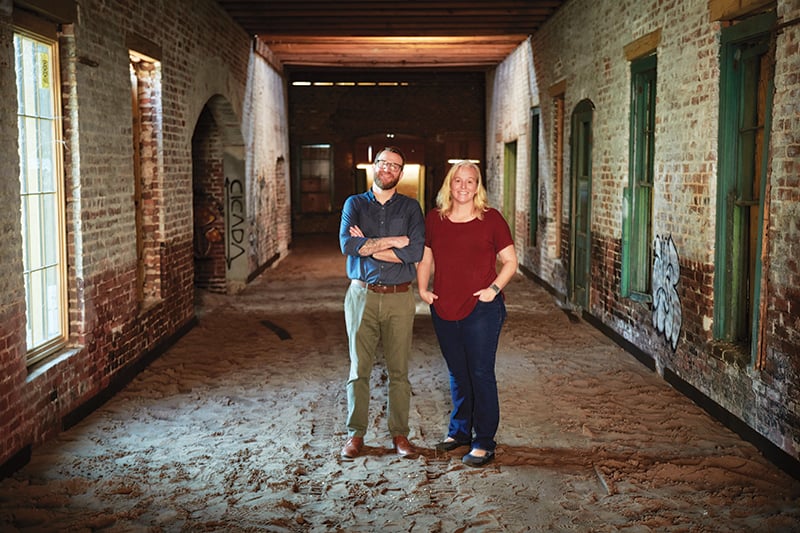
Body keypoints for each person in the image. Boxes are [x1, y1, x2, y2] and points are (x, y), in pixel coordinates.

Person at [416, 160, 517, 467]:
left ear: (478, 186)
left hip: (482, 309)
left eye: (470, 181)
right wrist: (422, 290)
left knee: (481, 373)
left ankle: (484, 441)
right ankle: (460, 432)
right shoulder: (435, 218)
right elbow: (426, 256)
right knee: (458, 373)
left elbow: (511, 261)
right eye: (458, 181)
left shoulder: (492, 219)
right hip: (444, 307)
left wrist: (494, 290)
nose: (463, 186)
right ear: (450, 184)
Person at [339, 146, 426, 459]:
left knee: (398, 371)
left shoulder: (411, 208)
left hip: (400, 298)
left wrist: (370, 245)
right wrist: (393, 242)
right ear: (374, 167)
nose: (388, 168)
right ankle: (355, 434)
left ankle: (400, 435)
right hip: (361, 295)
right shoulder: (355, 204)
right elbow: (348, 245)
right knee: (358, 369)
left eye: (395, 165)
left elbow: (415, 252)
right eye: (383, 163)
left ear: (401, 173)